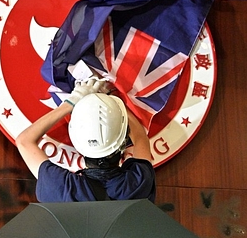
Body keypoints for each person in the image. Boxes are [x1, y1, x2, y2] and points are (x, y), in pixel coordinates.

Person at [16, 77, 156, 202]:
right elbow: (140, 137)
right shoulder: (138, 182)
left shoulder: (62, 188)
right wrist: (112, 100)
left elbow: (24, 141)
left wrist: (70, 103)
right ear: (122, 143)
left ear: (76, 142)